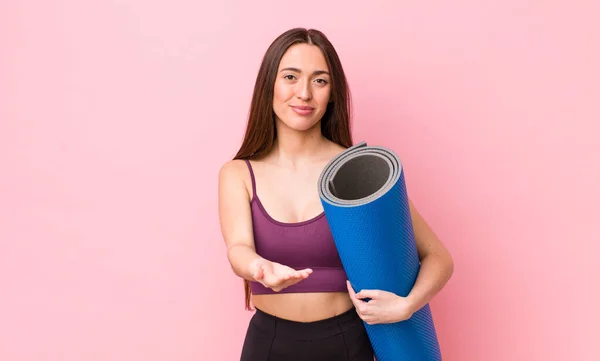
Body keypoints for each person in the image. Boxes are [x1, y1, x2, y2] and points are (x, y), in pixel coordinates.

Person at [218, 27, 454, 361]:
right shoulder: (238, 173)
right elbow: (238, 248)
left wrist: (405, 307)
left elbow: (439, 258)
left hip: (347, 343)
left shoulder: (355, 170)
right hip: (268, 344)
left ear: (332, 94)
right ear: (268, 85)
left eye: (319, 80)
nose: (304, 93)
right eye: (290, 77)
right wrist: (258, 268)